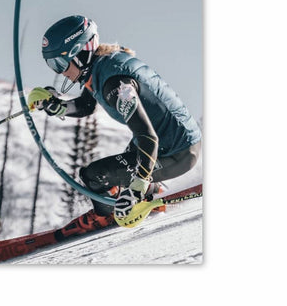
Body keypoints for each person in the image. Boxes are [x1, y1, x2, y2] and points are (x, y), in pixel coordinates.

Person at [28, 15, 202, 234]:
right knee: (114, 172)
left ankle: (107, 218)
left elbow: (148, 137)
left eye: (60, 63)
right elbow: (85, 105)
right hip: (169, 143)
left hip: (178, 152)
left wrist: (138, 183)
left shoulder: (115, 85)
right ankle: (148, 193)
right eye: (52, 65)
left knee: (94, 176)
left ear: (81, 53)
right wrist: (56, 106)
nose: (60, 71)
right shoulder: (101, 66)